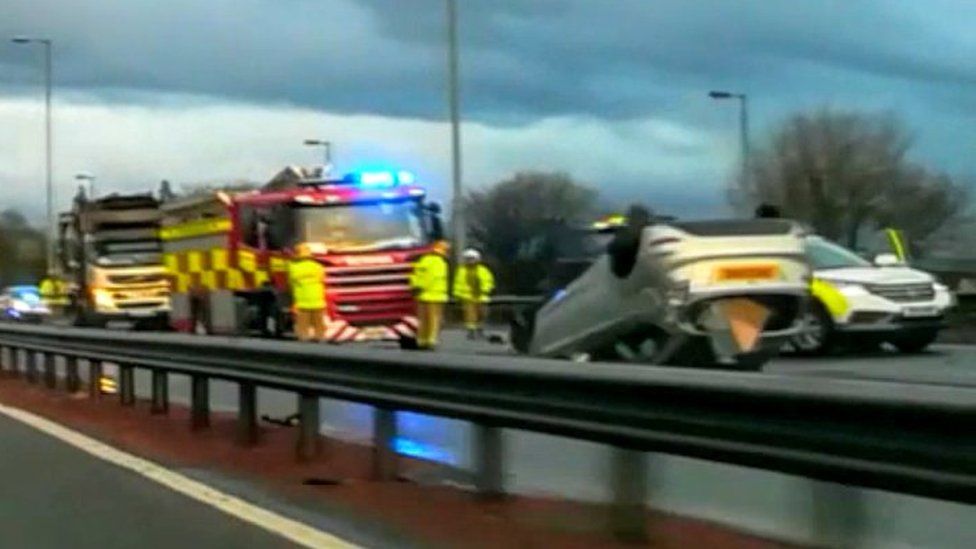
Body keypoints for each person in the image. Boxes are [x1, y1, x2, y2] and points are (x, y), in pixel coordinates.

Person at [409, 240, 451, 350]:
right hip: (437, 297)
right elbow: (435, 280)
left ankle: (421, 340)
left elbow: (417, 276)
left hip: (423, 296)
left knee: (423, 320)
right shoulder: (442, 263)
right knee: (434, 320)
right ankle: (431, 341)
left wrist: (416, 288)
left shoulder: (424, 261)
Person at [453, 248, 496, 339]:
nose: (470, 261)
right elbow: (458, 283)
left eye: (472, 258)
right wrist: (457, 294)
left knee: (482, 313)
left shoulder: (483, 270)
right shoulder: (461, 270)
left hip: (481, 296)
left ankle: (480, 329)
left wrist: (486, 289)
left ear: (477, 259)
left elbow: (489, 281)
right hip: (467, 296)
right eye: (468, 259)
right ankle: (471, 331)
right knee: (470, 314)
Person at [288, 243, 327, 342]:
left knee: (303, 327)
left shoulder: (293, 267)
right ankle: (321, 340)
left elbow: (291, 283)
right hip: (318, 301)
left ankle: (304, 344)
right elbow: (322, 279)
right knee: (319, 326)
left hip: (302, 303)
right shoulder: (318, 266)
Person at [606, 204, 652, 278]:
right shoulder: (622, 238)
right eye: (635, 219)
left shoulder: (650, 235)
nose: (638, 223)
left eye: (641, 220)